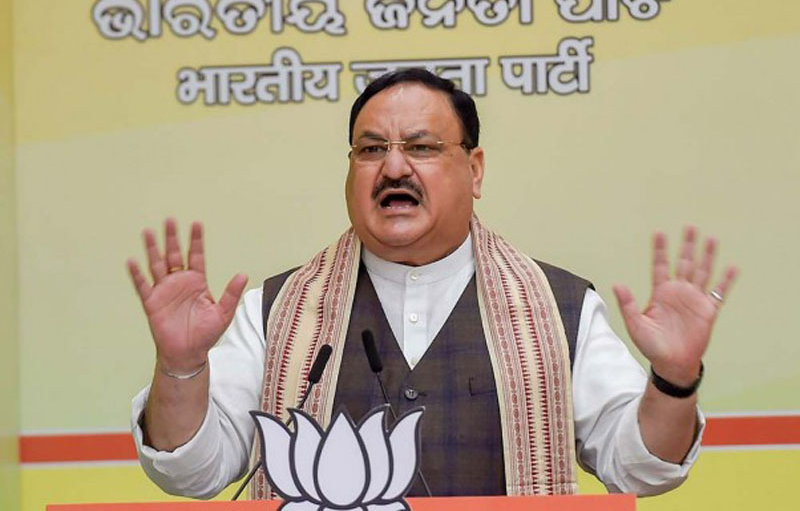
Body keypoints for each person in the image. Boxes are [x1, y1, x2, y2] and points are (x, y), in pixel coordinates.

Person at [127, 69, 737, 500]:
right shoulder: (277, 310)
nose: (394, 168)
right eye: (371, 150)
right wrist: (179, 365)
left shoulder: (560, 307)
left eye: (420, 147)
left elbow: (641, 471)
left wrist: (673, 381)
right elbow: (194, 475)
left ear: (474, 169)